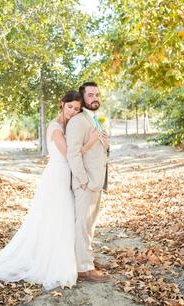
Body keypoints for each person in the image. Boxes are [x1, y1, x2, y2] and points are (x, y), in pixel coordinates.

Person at [0, 91, 100, 290]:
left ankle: (63, 257)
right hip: (57, 176)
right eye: (70, 107)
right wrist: (91, 141)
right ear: (61, 104)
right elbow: (69, 153)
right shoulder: (55, 127)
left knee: (62, 219)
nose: (73, 111)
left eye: (77, 109)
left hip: (65, 175)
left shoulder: (67, 125)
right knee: (55, 218)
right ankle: (49, 262)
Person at [66, 81, 110, 282]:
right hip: (86, 182)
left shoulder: (96, 119)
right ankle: (83, 268)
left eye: (97, 95)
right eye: (91, 95)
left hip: (97, 180)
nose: (95, 98)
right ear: (82, 97)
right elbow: (73, 153)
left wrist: (106, 146)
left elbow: (99, 148)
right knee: (83, 224)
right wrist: (83, 180)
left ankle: (87, 258)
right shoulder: (77, 121)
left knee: (90, 224)